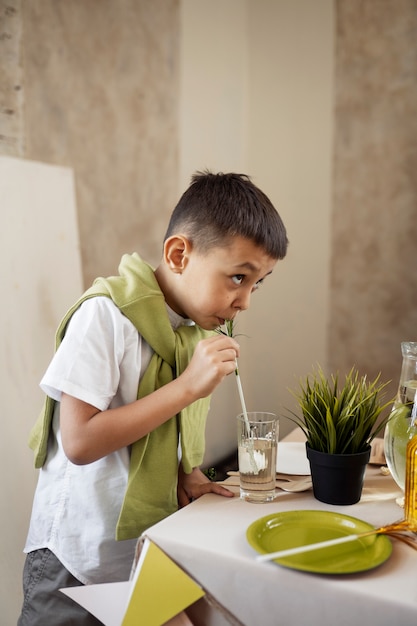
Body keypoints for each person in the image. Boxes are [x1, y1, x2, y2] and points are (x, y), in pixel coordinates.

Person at [18, 171, 288, 625]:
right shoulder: (104, 316)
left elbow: (163, 433)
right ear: (179, 254)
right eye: (237, 277)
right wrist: (186, 388)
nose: (245, 301)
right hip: (76, 553)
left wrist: (189, 473)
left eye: (257, 283)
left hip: (145, 546)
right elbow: (79, 443)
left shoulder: (188, 332)